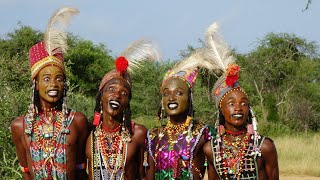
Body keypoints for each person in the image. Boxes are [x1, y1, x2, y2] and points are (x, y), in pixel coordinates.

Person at [10, 7, 89, 180]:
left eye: (59, 79)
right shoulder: (20, 126)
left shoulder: (77, 121)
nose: (53, 84)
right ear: (36, 84)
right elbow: (26, 173)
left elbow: (81, 171)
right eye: (46, 79)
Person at [202, 22, 279, 180]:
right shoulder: (211, 149)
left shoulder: (265, 147)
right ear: (221, 110)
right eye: (231, 104)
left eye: (244, 103)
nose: (238, 108)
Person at [85, 39, 161, 180]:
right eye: (111, 89)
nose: (117, 95)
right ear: (101, 96)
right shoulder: (89, 132)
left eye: (124, 93)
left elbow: (144, 175)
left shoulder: (138, 133)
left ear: (128, 102)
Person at [145, 39, 217, 179]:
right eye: (166, 94)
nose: (171, 98)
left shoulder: (204, 132)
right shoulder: (152, 136)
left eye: (179, 93)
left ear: (189, 98)